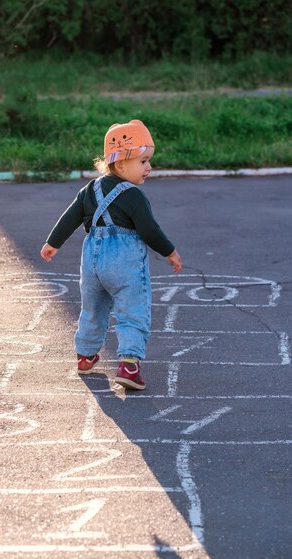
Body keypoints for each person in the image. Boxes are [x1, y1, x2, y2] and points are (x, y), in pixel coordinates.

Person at [41, 119, 182, 390]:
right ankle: (129, 364)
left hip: (92, 261)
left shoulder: (88, 190)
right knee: (132, 310)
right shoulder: (134, 196)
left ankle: (85, 355)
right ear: (120, 164)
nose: (149, 168)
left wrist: (53, 243)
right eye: (143, 161)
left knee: (92, 309)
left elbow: (70, 218)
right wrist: (170, 251)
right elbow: (150, 230)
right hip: (123, 261)